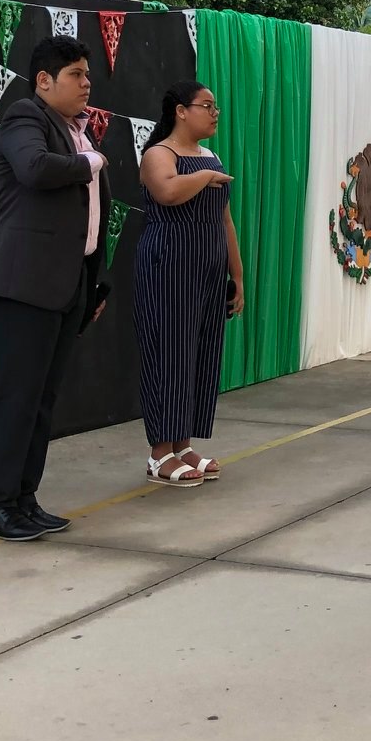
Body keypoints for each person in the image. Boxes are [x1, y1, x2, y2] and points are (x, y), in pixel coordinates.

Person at [0, 36, 108, 542]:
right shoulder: (25, 117)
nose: (87, 83)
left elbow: (89, 219)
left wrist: (93, 283)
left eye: (87, 74)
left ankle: (23, 500)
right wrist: (92, 163)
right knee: (17, 399)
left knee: (42, 401)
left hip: (66, 284)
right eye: (76, 74)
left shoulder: (78, 132)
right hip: (23, 284)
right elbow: (34, 168)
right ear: (44, 81)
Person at [134, 80, 243, 487]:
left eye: (216, 107)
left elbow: (225, 220)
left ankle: (182, 445)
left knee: (199, 353)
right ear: (181, 111)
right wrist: (205, 176)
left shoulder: (210, 156)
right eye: (207, 106)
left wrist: (237, 275)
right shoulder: (158, 154)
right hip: (169, 264)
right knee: (169, 352)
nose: (215, 114)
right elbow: (167, 191)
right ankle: (158, 453)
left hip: (208, 269)